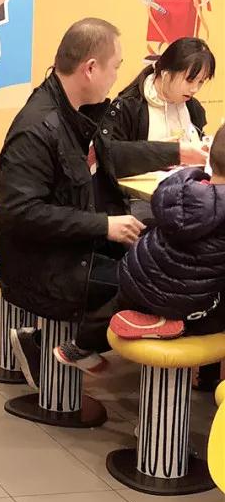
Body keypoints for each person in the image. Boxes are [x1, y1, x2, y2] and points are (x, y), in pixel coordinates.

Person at [0, 19, 144, 384]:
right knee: (150, 287)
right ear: (90, 68)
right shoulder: (38, 127)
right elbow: (21, 213)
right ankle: (59, 345)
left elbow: (114, 156)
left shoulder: (76, 114)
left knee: (155, 262)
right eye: (115, 67)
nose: (116, 77)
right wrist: (105, 226)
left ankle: (58, 345)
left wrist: (179, 152)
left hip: (70, 248)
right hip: (41, 265)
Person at [54, 125, 225, 370]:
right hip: (190, 302)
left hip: (138, 279)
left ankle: (77, 346)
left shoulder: (183, 187)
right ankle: (180, 329)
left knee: (121, 302)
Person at [87, 36, 212, 192]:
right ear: (166, 73)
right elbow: (108, 158)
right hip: (138, 198)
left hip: (184, 192)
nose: (195, 89)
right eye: (189, 80)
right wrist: (163, 152)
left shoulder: (193, 107)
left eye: (201, 82)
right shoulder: (129, 106)